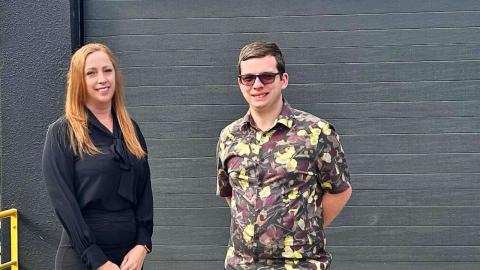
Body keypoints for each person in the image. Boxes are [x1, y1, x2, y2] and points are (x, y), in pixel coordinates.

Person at [216, 41, 352, 270]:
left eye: (267, 76)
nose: (257, 85)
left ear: (283, 79)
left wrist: (303, 228)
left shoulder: (316, 132)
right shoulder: (229, 137)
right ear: (240, 83)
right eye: (248, 78)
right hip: (242, 265)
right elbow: (230, 194)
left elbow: (340, 191)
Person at [42, 43, 153, 270]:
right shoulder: (62, 133)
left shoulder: (131, 129)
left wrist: (143, 243)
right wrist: (97, 260)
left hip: (129, 259)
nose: (102, 79)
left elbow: (144, 192)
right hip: (83, 259)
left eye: (107, 70)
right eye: (91, 73)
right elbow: (64, 203)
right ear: (78, 81)